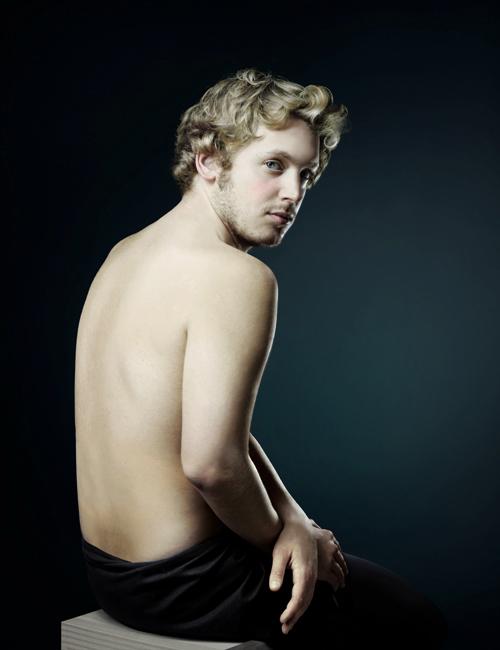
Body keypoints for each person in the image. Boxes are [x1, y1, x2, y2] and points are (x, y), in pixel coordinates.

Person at [76, 67, 448, 648]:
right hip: (192, 585)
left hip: (112, 574)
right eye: (274, 165)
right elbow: (211, 463)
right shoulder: (237, 277)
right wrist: (283, 538)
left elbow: (209, 427)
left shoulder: (124, 255)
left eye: (307, 173)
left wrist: (294, 515)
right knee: (414, 619)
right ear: (209, 160)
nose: (294, 192)